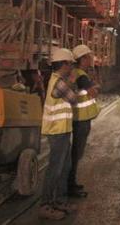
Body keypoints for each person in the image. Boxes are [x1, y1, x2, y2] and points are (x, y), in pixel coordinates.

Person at [38, 47, 78, 221]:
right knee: (55, 168)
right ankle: (45, 205)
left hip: (63, 130)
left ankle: (60, 201)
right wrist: (71, 81)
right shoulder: (59, 81)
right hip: (57, 131)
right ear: (64, 64)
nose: (72, 67)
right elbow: (73, 99)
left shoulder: (58, 79)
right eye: (70, 64)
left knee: (65, 167)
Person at [67, 44, 101, 197]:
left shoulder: (77, 73)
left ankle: (71, 183)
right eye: (89, 56)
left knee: (74, 153)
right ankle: (70, 186)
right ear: (83, 59)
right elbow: (93, 93)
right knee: (76, 153)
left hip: (78, 118)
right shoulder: (81, 75)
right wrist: (94, 87)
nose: (91, 59)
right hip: (81, 119)